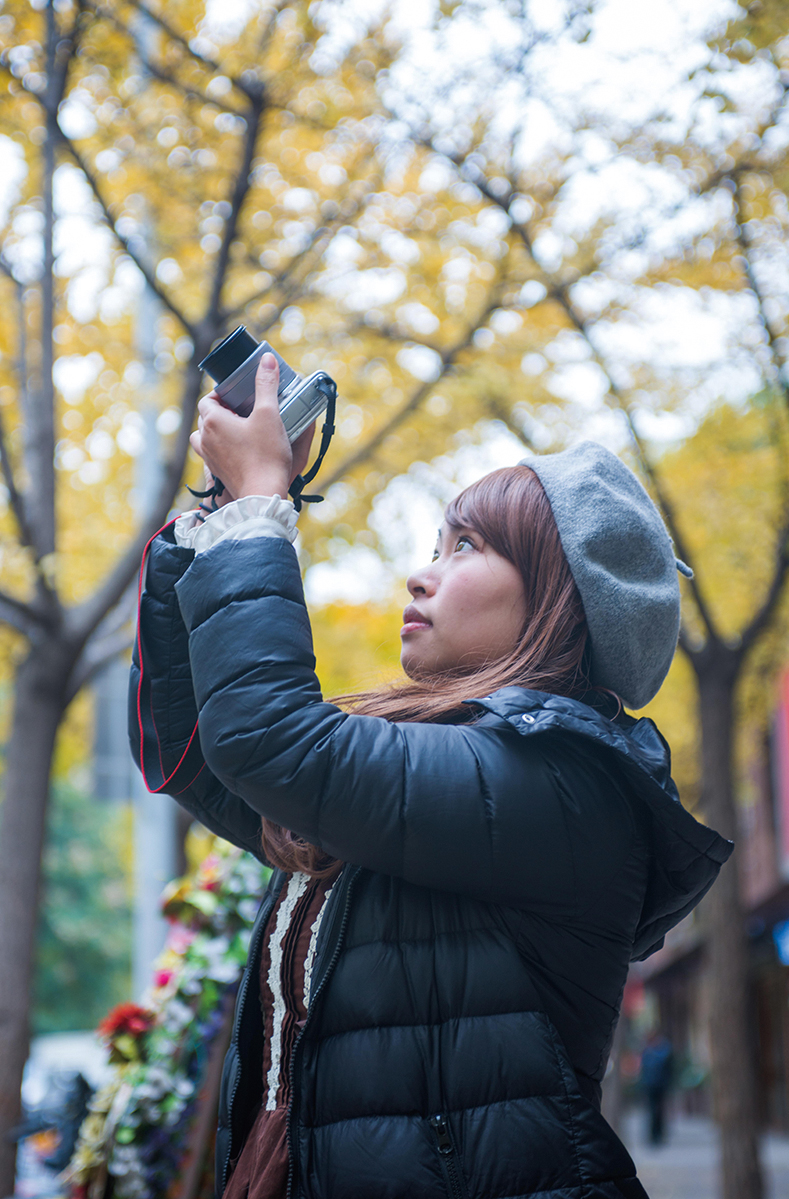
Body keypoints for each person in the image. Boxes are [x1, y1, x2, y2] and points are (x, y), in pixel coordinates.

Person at [130, 352, 732, 1199]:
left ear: (556, 598)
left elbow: (271, 741)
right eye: (434, 545)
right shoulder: (446, 774)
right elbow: (197, 751)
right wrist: (222, 511)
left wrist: (263, 508)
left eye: (467, 545)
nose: (422, 572)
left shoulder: (562, 782)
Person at [639, 1031, 674, 1146]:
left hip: (659, 1085)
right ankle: (654, 1135)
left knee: (658, 1111)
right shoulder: (649, 1052)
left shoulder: (660, 1051)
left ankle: (658, 1134)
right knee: (653, 1111)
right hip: (651, 1085)